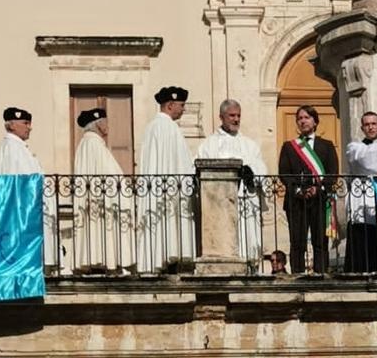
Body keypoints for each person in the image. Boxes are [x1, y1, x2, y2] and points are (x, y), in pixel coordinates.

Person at [198, 99, 268, 270]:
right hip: (219, 206)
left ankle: (251, 268)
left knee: (248, 242)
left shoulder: (250, 145)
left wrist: (251, 172)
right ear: (221, 117)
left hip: (245, 203)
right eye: (231, 115)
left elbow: (261, 167)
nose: (236, 119)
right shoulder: (209, 144)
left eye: (238, 116)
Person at [138, 87, 197, 273]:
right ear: (170, 105)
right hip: (170, 193)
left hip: (157, 192)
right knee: (169, 226)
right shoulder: (168, 128)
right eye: (181, 105)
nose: (184, 109)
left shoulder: (151, 127)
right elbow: (179, 164)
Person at [0, 106, 59, 273]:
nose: (29, 127)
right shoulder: (12, 146)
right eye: (25, 123)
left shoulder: (18, 146)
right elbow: (23, 179)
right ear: (12, 125)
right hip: (26, 210)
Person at [278, 105, 339, 274]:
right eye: (299, 118)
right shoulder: (289, 147)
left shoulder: (326, 146)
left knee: (320, 241)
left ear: (315, 121)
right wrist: (298, 190)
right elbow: (284, 174)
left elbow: (333, 173)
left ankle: (321, 274)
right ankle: (297, 274)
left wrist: (317, 189)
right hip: (296, 201)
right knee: (297, 241)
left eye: (306, 117)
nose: (303, 121)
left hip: (320, 200)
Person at [72, 107, 134, 274]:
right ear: (98, 125)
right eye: (105, 122)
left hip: (92, 200)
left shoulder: (85, 144)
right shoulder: (94, 145)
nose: (108, 126)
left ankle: (95, 260)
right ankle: (107, 263)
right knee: (103, 231)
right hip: (100, 201)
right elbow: (111, 174)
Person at [343, 111, 377, 272]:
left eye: (374, 124)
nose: (371, 127)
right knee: (361, 238)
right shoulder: (354, 147)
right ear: (362, 128)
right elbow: (366, 159)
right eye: (367, 124)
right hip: (362, 198)